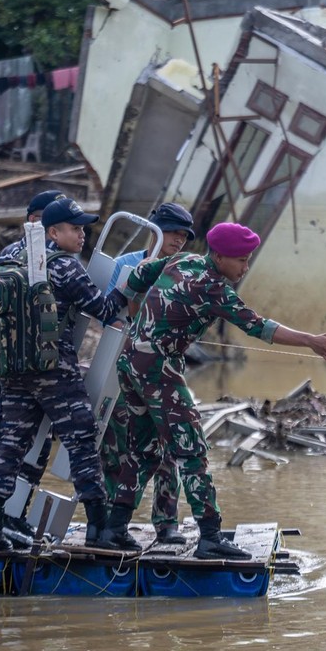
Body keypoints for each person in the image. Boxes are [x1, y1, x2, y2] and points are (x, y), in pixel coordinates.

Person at [99, 221, 326, 559]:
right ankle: (210, 537)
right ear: (218, 256)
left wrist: (115, 305)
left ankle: (114, 528)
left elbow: (139, 275)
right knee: (193, 451)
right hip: (158, 369)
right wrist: (311, 341)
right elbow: (258, 326)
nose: (245, 268)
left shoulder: (180, 260)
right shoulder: (212, 287)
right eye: (241, 261)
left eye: (248, 260)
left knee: (144, 451)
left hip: (130, 362)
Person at [0, 198, 127, 551]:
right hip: (54, 370)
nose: (82, 235)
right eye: (75, 229)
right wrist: (127, 288)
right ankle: (98, 530)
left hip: (11, 368)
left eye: (83, 228)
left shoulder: (7, 255)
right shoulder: (65, 267)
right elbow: (103, 309)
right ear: (52, 232)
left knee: (10, 446)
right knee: (82, 441)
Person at [101, 202, 195, 545]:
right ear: (155, 230)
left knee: (170, 448)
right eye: (173, 233)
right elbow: (107, 313)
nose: (178, 241)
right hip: (122, 368)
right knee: (117, 448)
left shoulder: (181, 271)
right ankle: (114, 523)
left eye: (184, 236)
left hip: (164, 371)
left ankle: (167, 522)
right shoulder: (126, 265)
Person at [0, 189, 66, 544]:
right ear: (35, 221)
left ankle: (12, 520)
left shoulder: (42, 257)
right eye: (56, 221)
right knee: (8, 448)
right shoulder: (20, 257)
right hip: (8, 374)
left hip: (22, 371)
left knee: (34, 447)